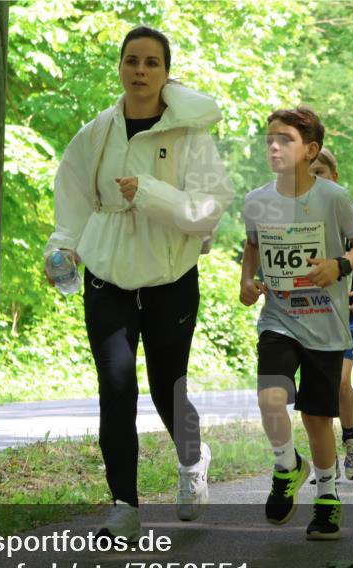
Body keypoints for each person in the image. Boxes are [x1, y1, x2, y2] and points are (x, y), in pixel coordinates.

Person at [45, 26, 234, 539]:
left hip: (170, 275)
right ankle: (124, 507)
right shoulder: (97, 132)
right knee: (116, 388)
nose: (141, 71)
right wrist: (61, 248)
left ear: (167, 72)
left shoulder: (190, 135)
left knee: (165, 387)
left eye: (152, 62)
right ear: (120, 68)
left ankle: (193, 461)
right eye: (132, 61)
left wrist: (150, 192)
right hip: (107, 275)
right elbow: (73, 197)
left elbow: (208, 210)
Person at [240, 106, 353, 540]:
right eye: (270, 140)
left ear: (310, 149)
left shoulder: (333, 198)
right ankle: (285, 466)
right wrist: (246, 280)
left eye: (286, 139)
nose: (274, 147)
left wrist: (340, 266)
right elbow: (253, 246)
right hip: (279, 319)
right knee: (270, 397)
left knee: (318, 418)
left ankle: (327, 496)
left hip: (326, 324)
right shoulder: (257, 200)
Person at [308, 148, 353, 482]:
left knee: (341, 381)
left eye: (320, 172)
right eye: (308, 173)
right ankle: (325, 454)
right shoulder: (297, 215)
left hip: (345, 311)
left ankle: (351, 438)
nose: (314, 179)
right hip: (306, 311)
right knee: (317, 387)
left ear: (334, 175)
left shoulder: (351, 212)